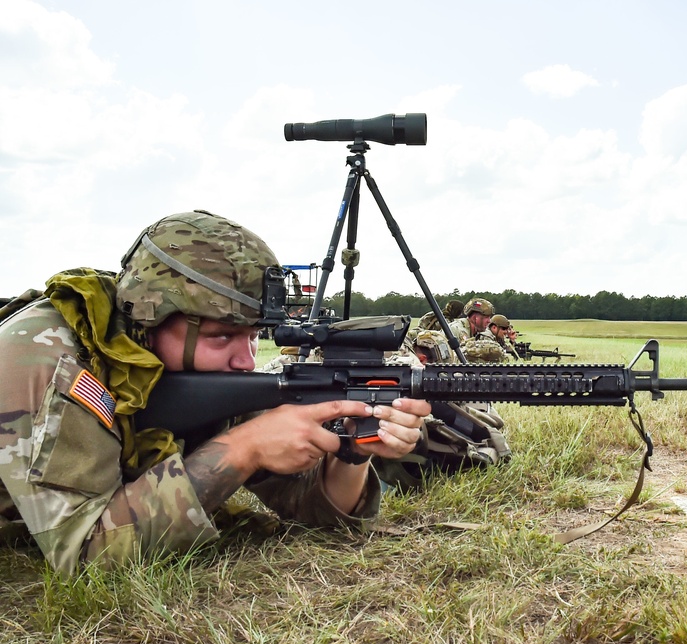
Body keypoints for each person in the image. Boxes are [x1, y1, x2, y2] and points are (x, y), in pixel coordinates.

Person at [0, 210, 431, 575]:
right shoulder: (44, 354)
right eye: (222, 336)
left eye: (251, 337)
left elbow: (312, 512)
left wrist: (352, 452)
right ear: (150, 317)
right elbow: (85, 557)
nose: (246, 360)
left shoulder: (200, 379)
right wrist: (241, 449)